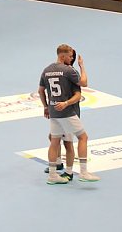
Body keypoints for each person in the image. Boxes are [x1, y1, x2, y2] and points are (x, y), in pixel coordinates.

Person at [39, 44, 100, 184]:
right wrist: (82, 66)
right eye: (70, 56)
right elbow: (84, 83)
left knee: (54, 142)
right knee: (83, 137)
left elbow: (40, 91)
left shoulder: (46, 70)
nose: (72, 58)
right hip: (67, 112)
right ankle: (83, 172)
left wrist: (45, 107)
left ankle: (53, 175)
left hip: (54, 111)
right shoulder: (68, 71)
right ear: (63, 56)